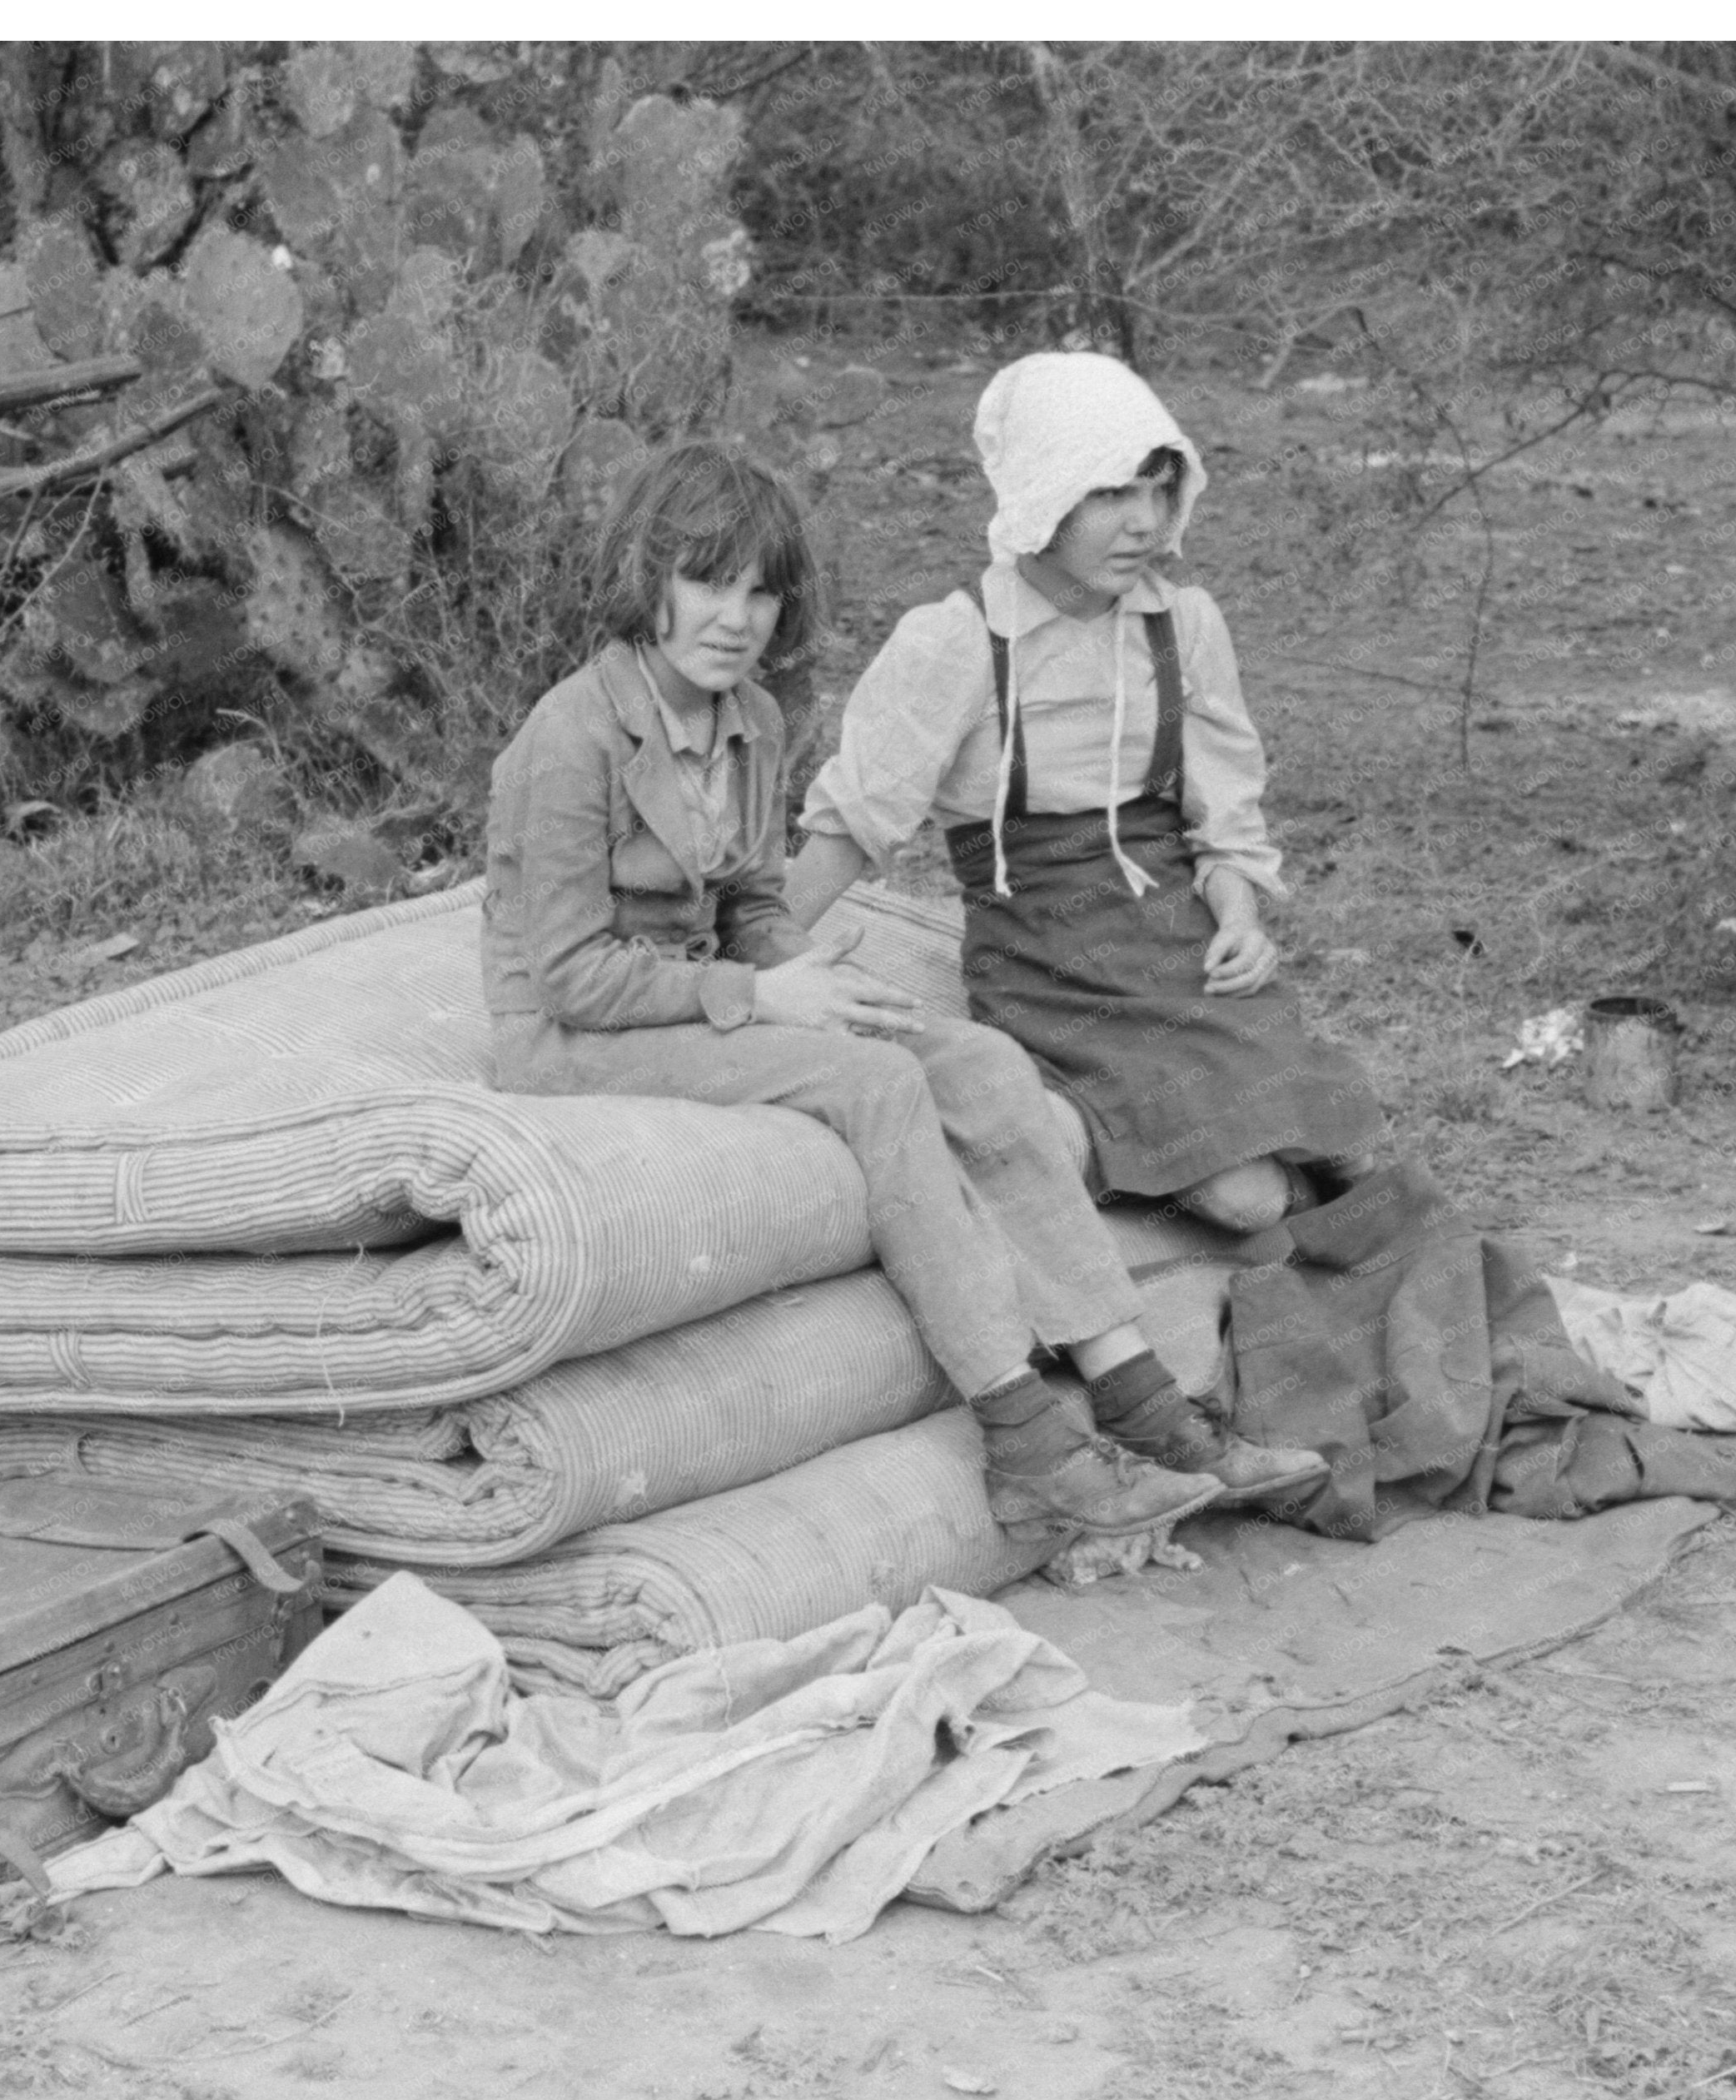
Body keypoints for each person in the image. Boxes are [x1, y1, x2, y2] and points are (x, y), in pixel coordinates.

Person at [482, 442, 1325, 1534]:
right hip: (570, 1034)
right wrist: (760, 1001)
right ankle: (1023, 1437)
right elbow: (569, 974)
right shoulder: (574, 731)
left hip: (698, 991)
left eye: (759, 591)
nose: (734, 618)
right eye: (705, 582)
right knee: (876, 1085)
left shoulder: (752, 721)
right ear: (646, 577)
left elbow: (745, 901)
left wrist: (797, 968)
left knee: (974, 1060)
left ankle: (1143, 1402)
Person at [783, 351, 1385, 1236]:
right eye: (1110, 494)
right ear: (1044, 491)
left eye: (1156, 488)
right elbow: (854, 821)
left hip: (1177, 947)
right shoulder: (955, 642)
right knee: (1245, 1198)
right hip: (1045, 965)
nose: (1142, 522)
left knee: (1348, 1149)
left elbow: (1223, 817)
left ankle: (1256, 1185)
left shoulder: (1183, 624)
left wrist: (1240, 917)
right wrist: (759, 959)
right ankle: (1119, 1151)